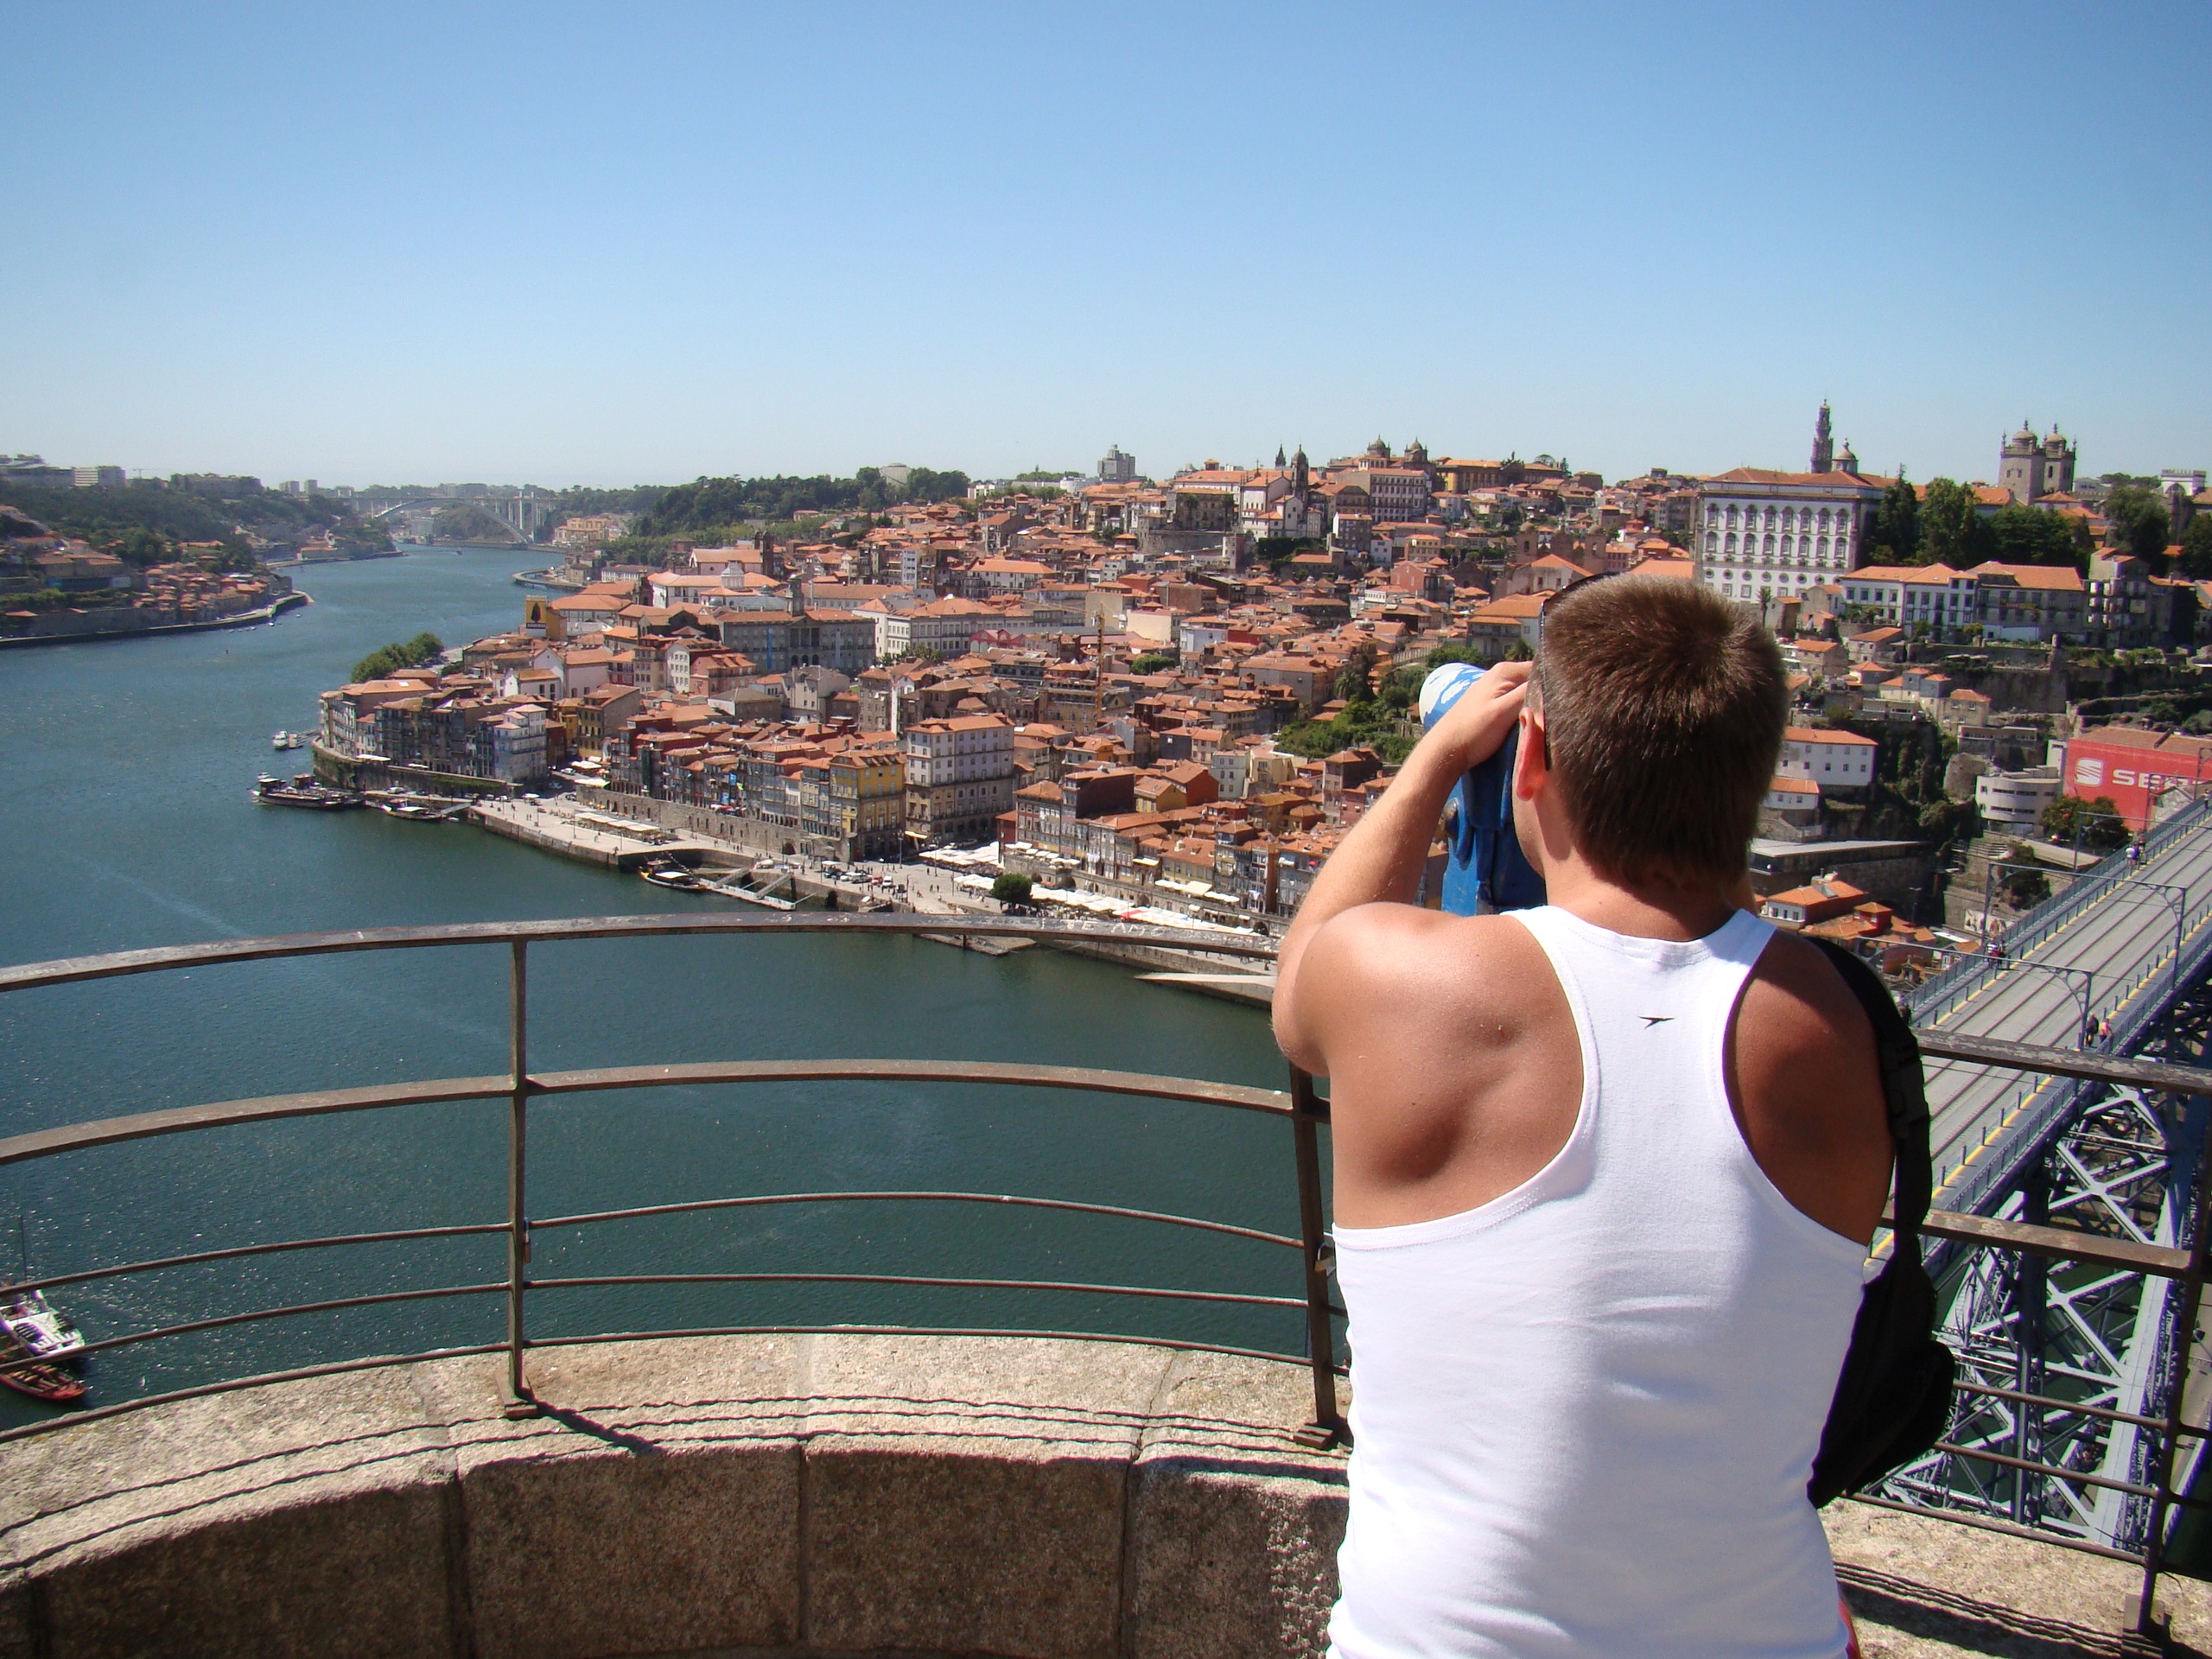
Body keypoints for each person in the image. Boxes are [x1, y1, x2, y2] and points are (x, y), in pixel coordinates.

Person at [1274, 574, 1892, 1658]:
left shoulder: (1396, 983)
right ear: (1754, 784)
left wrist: (1436, 756)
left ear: (1533, 758)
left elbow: (1299, 983)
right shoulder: (1842, 1026)